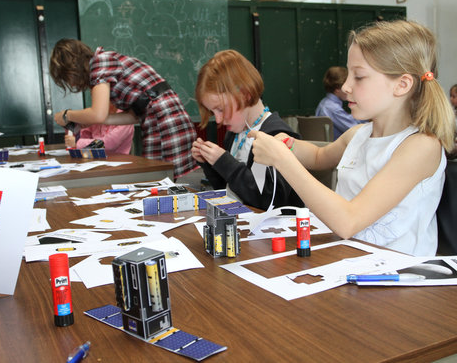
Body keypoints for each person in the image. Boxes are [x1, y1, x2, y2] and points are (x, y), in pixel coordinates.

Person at [249, 20, 456, 256]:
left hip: (398, 279)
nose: (346, 86)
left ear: (402, 85)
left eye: (359, 77)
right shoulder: (358, 134)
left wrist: (283, 161)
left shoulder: (420, 147)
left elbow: (348, 221)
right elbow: (318, 156)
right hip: (350, 261)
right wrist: (288, 144)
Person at [49, 38, 197, 178]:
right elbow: (132, 116)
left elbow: (98, 114)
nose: (73, 84)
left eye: (68, 78)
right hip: (156, 117)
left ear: (72, 68)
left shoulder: (100, 63)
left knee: (160, 178)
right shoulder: (105, 67)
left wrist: (67, 115)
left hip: (166, 117)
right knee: (159, 178)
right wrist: (94, 120)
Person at [192, 49, 303, 210]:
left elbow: (269, 201)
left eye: (221, 109)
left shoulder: (277, 135)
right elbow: (231, 189)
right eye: (213, 112)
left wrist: (224, 162)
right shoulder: (235, 135)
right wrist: (211, 164)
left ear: (245, 95)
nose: (217, 119)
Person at [315, 66, 363, 140]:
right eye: (346, 86)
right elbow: (356, 130)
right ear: (337, 88)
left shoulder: (323, 103)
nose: (349, 90)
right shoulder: (333, 109)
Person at [64, 104, 134, 155]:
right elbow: (84, 136)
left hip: (118, 165)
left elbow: (108, 144)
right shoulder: (98, 115)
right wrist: (72, 125)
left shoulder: (126, 118)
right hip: (95, 160)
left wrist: (77, 144)